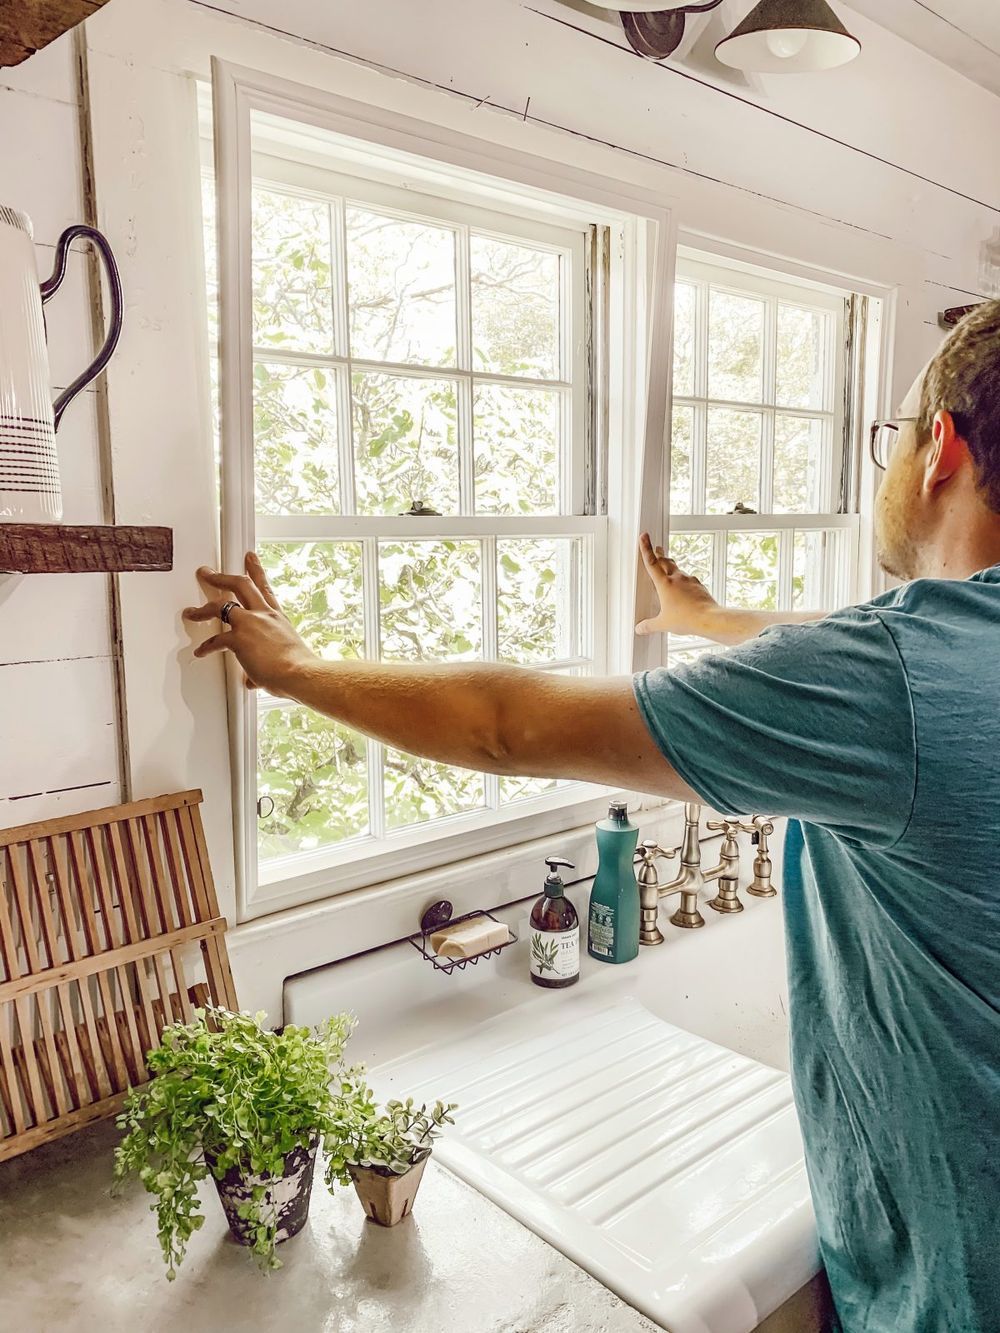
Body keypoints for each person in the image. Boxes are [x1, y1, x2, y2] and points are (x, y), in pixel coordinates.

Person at [185, 300, 1000, 1332]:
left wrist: (296, 668)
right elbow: (875, 649)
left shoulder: (892, 685)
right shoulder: (931, 664)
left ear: (938, 449)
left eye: (888, 434)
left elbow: (506, 726)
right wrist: (711, 621)